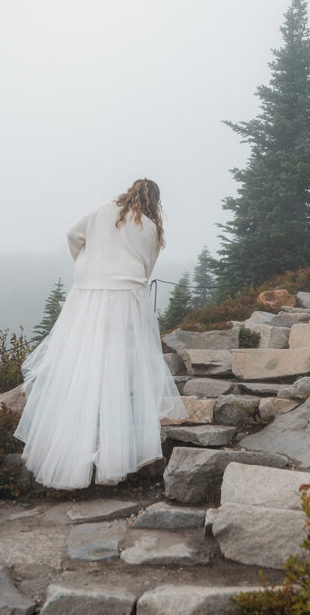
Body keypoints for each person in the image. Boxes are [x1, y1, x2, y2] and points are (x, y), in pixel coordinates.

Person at [15, 179, 187, 489]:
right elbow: (147, 267)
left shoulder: (101, 211)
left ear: (129, 192)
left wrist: (85, 261)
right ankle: (115, 453)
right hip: (128, 299)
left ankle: (68, 449)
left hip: (90, 293)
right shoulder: (150, 227)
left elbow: (72, 235)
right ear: (154, 202)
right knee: (118, 365)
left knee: (82, 355)